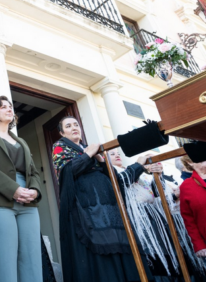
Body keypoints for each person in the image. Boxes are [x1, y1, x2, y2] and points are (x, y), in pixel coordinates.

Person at [52, 117, 152, 282]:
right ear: (62, 133)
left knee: (120, 247)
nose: (74, 128)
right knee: (100, 254)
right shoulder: (59, 147)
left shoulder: (91, 149)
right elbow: (67, 173)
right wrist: (88, 154)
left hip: (110, 208)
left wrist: (101, 160)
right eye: (68, 126)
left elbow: (116, 179)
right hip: (87, 209)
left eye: (76, 124)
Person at [0, 96, 43, 282]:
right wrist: (14, 189)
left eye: (10, 106)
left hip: (28, 202)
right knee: (3, 259)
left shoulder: (21, 141)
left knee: (32, 258)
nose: (9, 109)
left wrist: (35, 191)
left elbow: (33, 172)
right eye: (3, 106)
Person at [109, 150, 201, 281]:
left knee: (172, 256)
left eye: (118, 153)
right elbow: (121, 183)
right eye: (112, 154)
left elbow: (157, 196)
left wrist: (158, 175)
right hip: (141, 222)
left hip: (156, 218)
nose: (117, 155)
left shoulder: (140, 175)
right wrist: (139, 165)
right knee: (156, 258)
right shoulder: (113, 172)